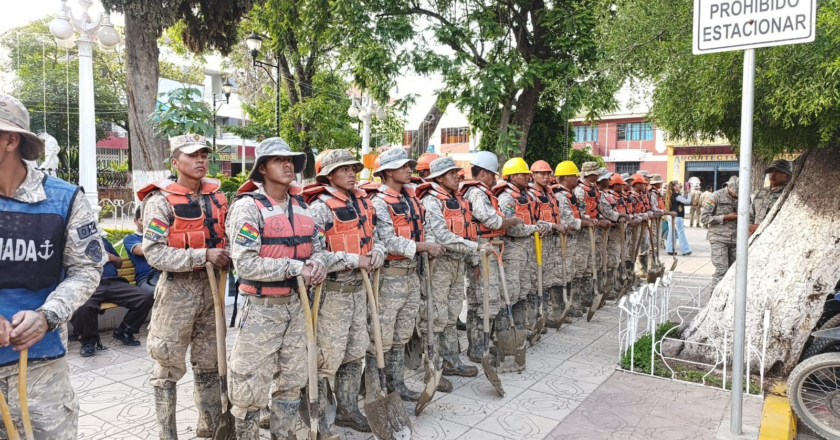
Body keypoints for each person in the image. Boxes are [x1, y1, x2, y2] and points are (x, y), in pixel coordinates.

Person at [0, 93, 105, 440]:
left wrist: (47, 315)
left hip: (41, 366)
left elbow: (86, 270)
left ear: (10, 140)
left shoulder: (64, 198)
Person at [224, 138, 328, 439]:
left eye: (291, 161)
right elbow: (245, 264)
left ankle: (283, 434)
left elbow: (318, 249)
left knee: (293, 379)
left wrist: (318, 263)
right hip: (260, 310)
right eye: (278, 160)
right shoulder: (248, 208)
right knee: (248, 386)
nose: (288, 165)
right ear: (262, 168)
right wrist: (297, 268)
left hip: (299, 307)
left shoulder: (304, 207)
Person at [138, 134, 230, 439]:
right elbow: (154, 252)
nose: (201, 160)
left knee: (210, 363)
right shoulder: (159, 201)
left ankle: (210, 427)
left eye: (204, 154)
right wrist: (202, 255)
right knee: (166, 366)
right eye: (192, 156)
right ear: (176, 162)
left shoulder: (218, 197)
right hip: (177, 291)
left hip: (213, 289)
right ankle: (168, 434)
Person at [303, 149, 385, 437]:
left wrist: (377, 253)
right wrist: (354, 260)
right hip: (333, 294)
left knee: (354, 353)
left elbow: (377, 238)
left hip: (359, 292)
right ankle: (319, 416)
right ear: (327, 175)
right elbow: (314, 257)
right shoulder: (319, 208)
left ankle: (349, 410)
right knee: (327, 357)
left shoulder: (362, 203)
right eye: (344, 169)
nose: (352, 173)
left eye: (353, 167)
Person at [367, 148, 447, 393]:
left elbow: (424, 227)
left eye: (409, 165)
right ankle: (375, 390)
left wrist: (431, 245)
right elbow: (386, 239)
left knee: (402, 333)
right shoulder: (378, 202)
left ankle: (397, 384)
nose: (408, 169)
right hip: (389, 277)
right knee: (381, 336)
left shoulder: (411, 198)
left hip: (412, 274)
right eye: (403, 166)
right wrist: (423, 246)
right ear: (388, 172)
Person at [418, 157, 487, 380]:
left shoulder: (458, 199)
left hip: (458, 262)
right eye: (451, 173)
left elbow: (469, 231)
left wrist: (474, 260)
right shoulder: (432, 200)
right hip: (439, 265)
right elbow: (442, 236)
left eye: (457, 172)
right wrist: (475, 247)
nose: (457, 176)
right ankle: (433, 367)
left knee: (452, 313)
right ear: (438, 177)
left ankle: (451, 361)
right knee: (436, 315)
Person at [461, 151, 522, 362]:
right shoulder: (477, 193)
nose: (495, 179)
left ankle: (481, 346)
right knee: (483, 301)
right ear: (484, 173)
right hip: (480, 250)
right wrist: (513, 221)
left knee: (486, 301)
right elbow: (492, 221)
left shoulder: (482, 192)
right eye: (492, 175)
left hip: (488, 248)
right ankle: (477, 348)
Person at [70, 237, 155, 356]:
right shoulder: (69, 243)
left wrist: (113, 258)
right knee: (82, 306)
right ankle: (88, 342)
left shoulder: (102, 240)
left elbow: (119, 264)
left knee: (145, 298)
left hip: (113, 283)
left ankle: (124, 331)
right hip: (88, 284)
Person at [553, 161, 597, 318]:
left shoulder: (569, 194)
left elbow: (576, 214)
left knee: (570, 271)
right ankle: (559, 309)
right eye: (574, 176)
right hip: (563, 240)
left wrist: (588, 219)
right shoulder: (560, 195)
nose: (577, 179)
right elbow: (568, 219)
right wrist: (585, 222)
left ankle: (569, 304)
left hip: (573, 239)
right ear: (566, 177)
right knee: (561, 273)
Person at [528, 160, 569, 328]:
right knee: (534, 282)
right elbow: (532, 219)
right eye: (542, 174)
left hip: (551, 242)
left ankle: (543, 317)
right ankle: (533, 320)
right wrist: (553, 225)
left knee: (546, 281)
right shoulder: (530, 194)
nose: (546, 177)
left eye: (548, 174)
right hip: (536, 242)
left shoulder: (550, 193)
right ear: (533, 175)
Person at [574, 162, 611, 309]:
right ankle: (577, 299)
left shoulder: (594, 188)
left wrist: (602, 218)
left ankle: (588, 296)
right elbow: (581, 213)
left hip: (594, 230)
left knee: (591, 263)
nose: (599, 176)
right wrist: (594, 221)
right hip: (583, 232)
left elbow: (599, 208)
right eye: (596, 173)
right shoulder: (580, 190)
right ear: (590, 174)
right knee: (581, 265)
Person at [701, 176, 739, 292]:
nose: (736, 196)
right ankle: (714, 297)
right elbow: (704, 218)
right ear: (728, 187)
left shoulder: (744, 197)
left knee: (735, 272)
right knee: (721, 270)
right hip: (719, 238)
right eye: (734, 193)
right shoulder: (715, 196)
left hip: (737, 240)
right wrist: (725, 217)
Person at [123, 207, 160, 294]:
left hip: (166, 275)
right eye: (142, 220)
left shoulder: (163, 236)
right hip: (147, 278)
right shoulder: (130, 238)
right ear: (135, 220)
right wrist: (156, 231)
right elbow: (142, 251)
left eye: (150, 221)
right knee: (159, 292)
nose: (147, 224)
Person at [749, 159, 792, 234]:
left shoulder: (789, 194)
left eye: (778, 171)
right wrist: (749, 230)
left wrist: (761, 227)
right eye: (771, 171)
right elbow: (751, 214)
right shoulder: (761, 192)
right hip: (754, 238)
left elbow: (787, 221)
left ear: (786, 175)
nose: (773, 174)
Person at [665, 180, 692, 256]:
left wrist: (685, 194)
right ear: (674, 187)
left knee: (671, 233)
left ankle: (670, 249)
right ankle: (685, 250)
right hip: (677, 216)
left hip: (670, 216)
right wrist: (689, 194)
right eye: (678, 185)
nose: (679, 186)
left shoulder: (670, 195)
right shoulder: (676, 196)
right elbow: (687, 201)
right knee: (681, 233)